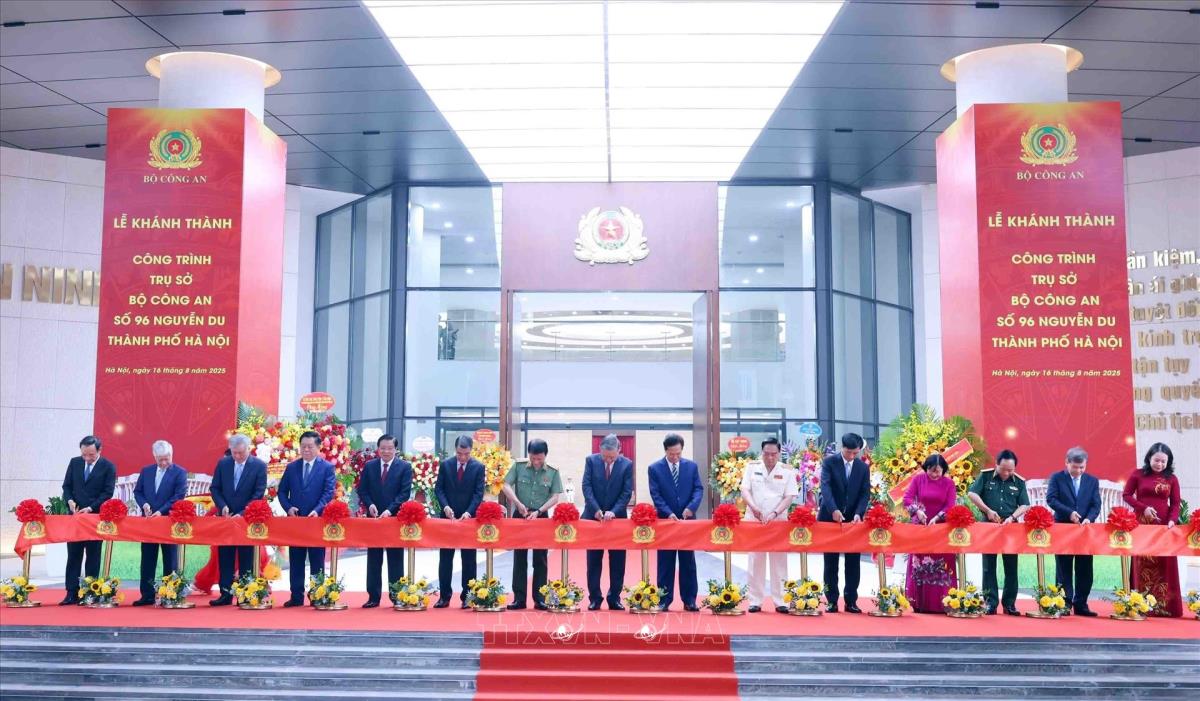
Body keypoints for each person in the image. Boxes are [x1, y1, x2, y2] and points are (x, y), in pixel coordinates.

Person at [502, 438, 563, 611]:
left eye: (539, 459)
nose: (536, 462)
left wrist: (540, 511)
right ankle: (519, 599)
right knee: (519, 558)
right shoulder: (519, 466)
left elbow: (555, 496)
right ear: (529, 454)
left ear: (545, 456)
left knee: (540, 558)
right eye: (533, 458)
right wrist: (517, 503)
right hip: (520, 514)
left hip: (541, 516)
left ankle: (540, 598)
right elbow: (505, 485)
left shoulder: (553, 472)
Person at [1123, 442, 1182, 617]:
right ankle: (1140, 604)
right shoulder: (1138, 474)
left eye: (1164, 461)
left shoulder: (1172, 478)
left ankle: (1165, 607)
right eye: (1157, 460)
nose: (1160, 464)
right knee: (1142, 561)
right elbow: (1126, 495)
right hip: (1142, 525)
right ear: (1149, 458)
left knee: (1164, 561)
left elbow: (1176, 503)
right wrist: (1143, 508)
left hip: (1163, 526)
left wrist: (1171, 521)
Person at [278, 430, 336, 607]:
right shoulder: (292, 467)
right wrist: (288, 507)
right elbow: (282, 491)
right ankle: (296, 596)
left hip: (316, 521)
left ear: (318, 447)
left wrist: (318, 510)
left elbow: (328, 493)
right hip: (296, 521)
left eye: (310, 446)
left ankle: (317, 595)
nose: (306, 450)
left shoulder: (327, 468)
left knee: (317, 560)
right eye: (303, 446)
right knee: (296, 559)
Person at [967, 449, 1029, 615]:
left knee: (1011, 565)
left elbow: (1025, 504)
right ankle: (990, 603)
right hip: (989, 526)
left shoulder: (1019, 482)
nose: (1007, 473)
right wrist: (987, 510)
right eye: (1004, 469)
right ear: (996, 464)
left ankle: (1009, 604)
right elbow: (972, 493)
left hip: (1010, 527)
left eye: (1011, 470)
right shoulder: (986, 476)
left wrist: (1013, 517)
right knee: (988, 565)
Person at [739, 437, 797, 613]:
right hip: (755, 519)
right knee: (755, 559)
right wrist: (753, 507)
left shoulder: (787, 471)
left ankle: (781, 601)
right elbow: (745, 490)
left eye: (773, 454)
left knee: (779, 560)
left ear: (779, 453)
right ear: (762, 452)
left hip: (777, 521)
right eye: (766, 454)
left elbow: (789, 496)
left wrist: (775, 513)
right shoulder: (752, 467)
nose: (770, 457)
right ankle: (755, 600)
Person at [647, 433, 705, 612]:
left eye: (678, 453)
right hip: (666, 521)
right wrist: (668, 512)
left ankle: (689, 600)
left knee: (688, 561)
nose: (675, 457)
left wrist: (691, 508)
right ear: (665, 450)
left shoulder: (691, 466)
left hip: (687, 520)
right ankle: (664, 600)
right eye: (671, 454)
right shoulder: (655, 468)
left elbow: (698, 489)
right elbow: (656, 494)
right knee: (665, 561)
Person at [209, 434, 267, 606]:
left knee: (246, 557)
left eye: (241, 453)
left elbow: (258, 493)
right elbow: (215, 488)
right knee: (225, 557)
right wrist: (222, 506)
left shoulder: (259, 466)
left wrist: (242, 513)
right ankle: (225, 594)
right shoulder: (223, 463)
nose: (237, 456)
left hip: (246, 519)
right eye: (234, 453)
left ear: (249, 449)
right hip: (226, 518)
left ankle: (246, 594)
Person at [357, 434, 412, 608]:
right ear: (378, 449)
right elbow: (362, 490)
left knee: (395, 559)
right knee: (374, 558)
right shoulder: (370, 466)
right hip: (374, 519)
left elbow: (404, 493)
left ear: (396, 449)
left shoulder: (404, 467)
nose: (386, 451)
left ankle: (397, 596)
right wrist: (370, 504)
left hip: (394, 519)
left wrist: (389, 510)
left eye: (389, 448)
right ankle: (373, 597)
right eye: (383, 448)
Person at [59, 435, 116, 605]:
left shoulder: (108, 466)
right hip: (75, 517)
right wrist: (69, 500)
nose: (87, 458)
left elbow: (107, 493)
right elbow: (67, 486)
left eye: (91, 455)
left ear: (99, 450)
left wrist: (91, 508)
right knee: (73, 555)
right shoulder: (75, 462)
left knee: (93, 556)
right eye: (84, 454)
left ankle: (90, 592)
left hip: (94, 518)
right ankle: (71, 592)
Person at [131, 440, 188, 606]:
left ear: (172, 455)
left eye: (167, 458)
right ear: (154, 456)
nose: (164, 462)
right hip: (149, 522)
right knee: (147, 559)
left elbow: (178, 496)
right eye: (160, 459)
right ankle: (147, 595)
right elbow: (138, 492)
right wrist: (144, 504)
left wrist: (161, 511)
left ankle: (169, 594)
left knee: (170, 560)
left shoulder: (180, 472)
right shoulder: (146, 471)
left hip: (168, 522)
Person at [1045, 446, 1101, 617]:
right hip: (1063, 527)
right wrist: (1069, 513)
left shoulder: (1092, 481)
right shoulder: (1057, 478)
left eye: (1082, 467)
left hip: (1084, 530)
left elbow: (1096, 504)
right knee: (1064, 567)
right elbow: (1051, 499)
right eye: (1075, 467)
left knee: (1085, 568)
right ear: (1067, 463)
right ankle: (1064, 603)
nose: (1078, 471)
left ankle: (1081, 604)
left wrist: (1089, 518)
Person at [819, 433, 870, 613]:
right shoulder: (829, 462)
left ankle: (851, 601)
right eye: (849, 452)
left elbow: (865, 493)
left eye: (855, 453)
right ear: (842, 448)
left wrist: (858, 513)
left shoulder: (863, 467)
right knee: (830, 562)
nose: (852, 456)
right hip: (830, 517)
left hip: (853, 520)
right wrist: (833, 509)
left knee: (853, 562)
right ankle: (832, 600)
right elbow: (825, 488)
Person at [582, 434, 633, 611]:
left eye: (612, 457)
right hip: (594, 517)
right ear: (600, 450)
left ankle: (614, 598)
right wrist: (596, 509)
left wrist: (614, 511)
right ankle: (595, 598)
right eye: (605, 456)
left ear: (619, 450)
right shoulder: (591, 461)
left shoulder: (627, 464)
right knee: (593, 559)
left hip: (616, 519)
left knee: (618, 560)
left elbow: (626, 492)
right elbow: (586, 487)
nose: (608, 460)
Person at [903, 454, 958, 613]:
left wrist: (938, 517)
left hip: (940, 529)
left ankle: (942, 603)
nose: (934, 474)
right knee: (919, 563)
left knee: (941, 565)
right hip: (921, 527)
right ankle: (918, 602)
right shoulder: (918, 479)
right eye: (931, 470)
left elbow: (950, 505)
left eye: (937, 471)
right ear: (926, 468)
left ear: (943, 470)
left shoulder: (949, 483)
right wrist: (917, 511)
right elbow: (907, 499)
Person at [434, 435, 485, 608]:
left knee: (469, 559)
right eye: (459, 453)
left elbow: (478, 493)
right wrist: (445, 507)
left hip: (468, 519)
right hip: (448, 518)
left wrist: (469, 512)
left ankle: (468, 596)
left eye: (466, 454)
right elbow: (439, 489)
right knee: (445, 558)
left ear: (471, 451)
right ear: (455, 450)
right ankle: (444, 596)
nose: (462, 457)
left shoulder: (478, 467)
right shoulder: (446, 465)